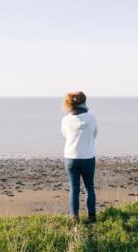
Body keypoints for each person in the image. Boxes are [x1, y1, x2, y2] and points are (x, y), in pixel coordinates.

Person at [61, 91, 98, 222]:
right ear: (84, 102)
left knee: (74, 188)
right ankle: (92, 217)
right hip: (88, 157)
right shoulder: (92, 118)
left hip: (71, 157)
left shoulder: (66, 119)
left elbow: (65, 135)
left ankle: (74, 218)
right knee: (89, 188)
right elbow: (95, 134)